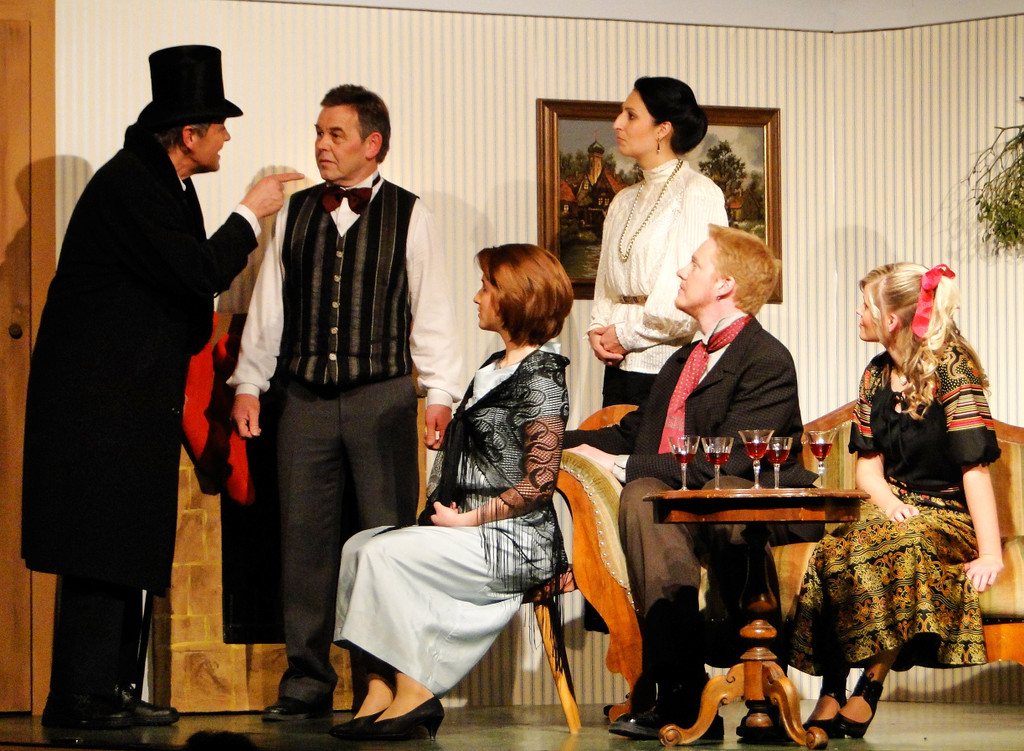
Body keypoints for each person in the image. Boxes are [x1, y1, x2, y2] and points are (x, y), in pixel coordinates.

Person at [20, 45, 301, 729]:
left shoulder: (163, 183)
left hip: (129, 394)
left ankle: (110, 686)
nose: (227, 137)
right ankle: (80, 695)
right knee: (101, 541)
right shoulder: (131, 186)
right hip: (99, 399)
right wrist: (250, 213)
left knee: (125, 539)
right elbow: (197, 270)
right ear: (189, 135)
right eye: (219, 126)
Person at [228, 84, 463, 721]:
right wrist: (249, 383)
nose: (322, 145)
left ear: (372, 143)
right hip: (302, 399)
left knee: (384, 544)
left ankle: (380, 683)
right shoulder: (297, 212)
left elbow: (432, 309)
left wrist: (440, 391)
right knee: (302, 544)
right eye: (319, 132)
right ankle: (306, 681)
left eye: (336, 134)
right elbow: (270, 309)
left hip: (381, 400)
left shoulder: (411, 214)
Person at [564, 224, 819, 740]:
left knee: (666, 492)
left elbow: (729, 462)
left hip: (750, 507)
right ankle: (682, 693)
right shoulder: (685, 359)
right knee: (647, 498)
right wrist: (549, 439)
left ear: (725, 284)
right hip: (686, 507)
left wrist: (620, 465)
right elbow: (636, 431)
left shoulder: (765, 360)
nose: (682, 271)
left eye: (695, 264)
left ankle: (747, 681)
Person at [327, 244, 573, 741]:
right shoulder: (493, 367)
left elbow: (540, 483)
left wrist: (466, 519)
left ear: (515, 297)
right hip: (473, 523)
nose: (477, 297)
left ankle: (415, 689)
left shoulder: (543, 377)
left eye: (486, 288)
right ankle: (379, 686)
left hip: (515, 538)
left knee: (384, 554)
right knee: (358, 545)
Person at [789, 263, 1004, 739]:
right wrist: (889, 505)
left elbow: (975, 468)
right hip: (892, 503)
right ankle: (831, 686)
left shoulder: (953, 369)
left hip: (946, 513)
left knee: (900, 548)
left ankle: (870, 684)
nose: (858, 312)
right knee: (833, 550)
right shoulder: (875, 374)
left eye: (865, 305)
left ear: (890, 320)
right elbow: (868, 469)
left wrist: (991, 552)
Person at [588, 76, 726, 408]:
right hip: (617, 366)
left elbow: (691, 296)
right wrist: (598, 327)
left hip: (666, 367)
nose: (617, 123)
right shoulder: (622, 200)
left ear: (662, 129)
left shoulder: (698, 192)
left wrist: (625, 334)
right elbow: (605, 285)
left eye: (631, 115)